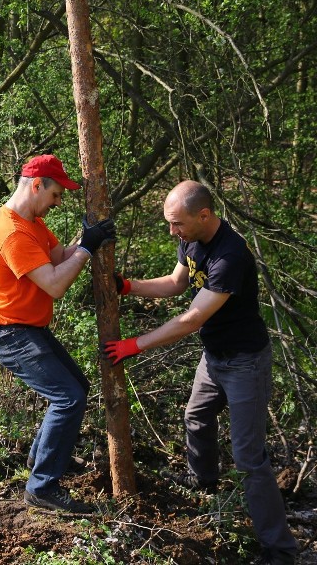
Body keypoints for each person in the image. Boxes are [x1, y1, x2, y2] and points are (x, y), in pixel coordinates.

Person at [103, 180, 297, 565]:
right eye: (170, 224)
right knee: (196, 416)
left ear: (204, 215)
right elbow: (177, 284)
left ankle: (279, 549)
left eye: (177, 224)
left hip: (245, 361)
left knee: (248, 458)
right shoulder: (191, 238)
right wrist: (129, 286)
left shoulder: (230, 256)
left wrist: (133, 345)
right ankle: (205, 481)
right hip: (214, 356)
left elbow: (191, 318)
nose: (172, 232)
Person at [0, 154, 115, 514]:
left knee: (77, 387)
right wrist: (87, 248)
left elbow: (59, 257)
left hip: (29, 330)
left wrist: (91, 238)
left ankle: (43, 458)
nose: (58, 203)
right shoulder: (11, 232)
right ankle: (42, 487)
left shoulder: (31, 224)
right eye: (55, 195)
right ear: (37, 185)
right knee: (68, 398)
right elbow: (56, 284)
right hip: (11, 335)